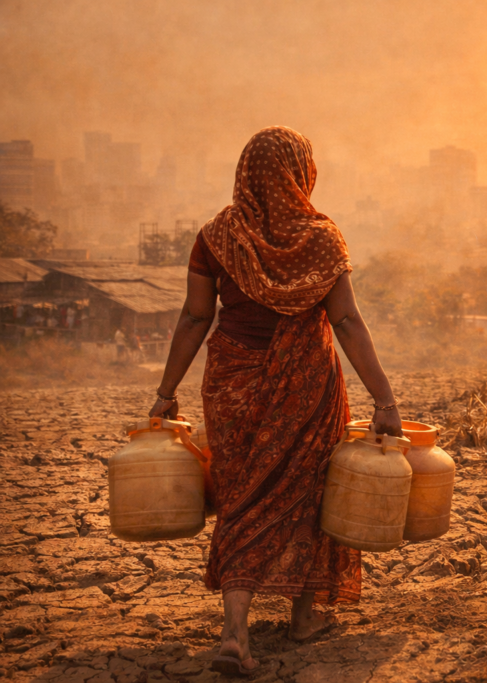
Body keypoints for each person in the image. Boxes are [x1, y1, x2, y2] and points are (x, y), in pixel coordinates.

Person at [148, 126, 403, 678]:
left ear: (246, 173)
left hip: (231, 387)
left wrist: (166, 394)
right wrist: (384, 400)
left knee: (242, 500)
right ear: (299, 172)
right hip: (304, 390)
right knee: (307, 494)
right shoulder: (321, 238)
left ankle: (235, 634)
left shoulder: (216, 236)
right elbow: (347, 322)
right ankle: (303, 617)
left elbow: (195, 317)